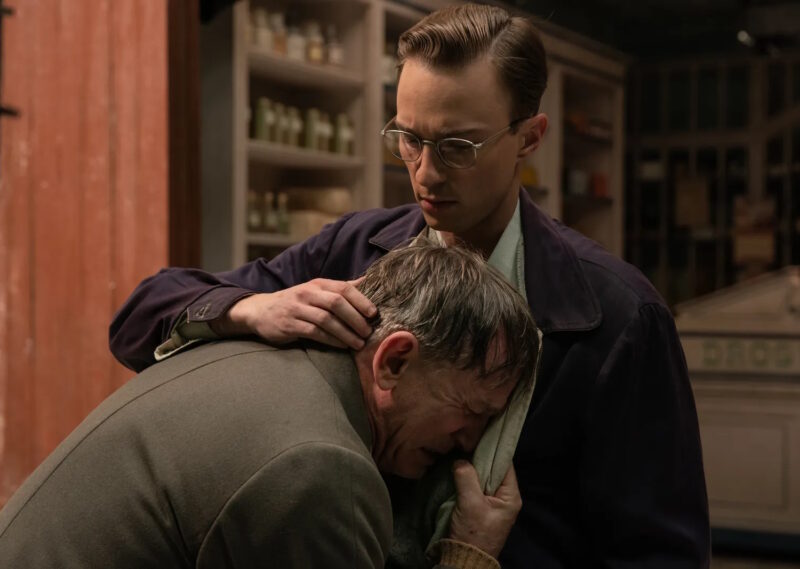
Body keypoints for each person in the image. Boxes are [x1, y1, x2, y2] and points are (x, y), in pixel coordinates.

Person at [110, 3, 711, 567]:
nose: (425, 173)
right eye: (408, 139)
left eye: (457, 147)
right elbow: (138, 319)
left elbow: (660, 554)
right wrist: (250, 309)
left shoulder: (617, 318)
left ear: (529, 138)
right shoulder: (353, 250)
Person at [0, 243, 538, 569]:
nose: (470, 442)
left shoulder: (248, 352)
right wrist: (469, 555)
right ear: (393, 362)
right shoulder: (322, 470)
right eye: (472, 412)